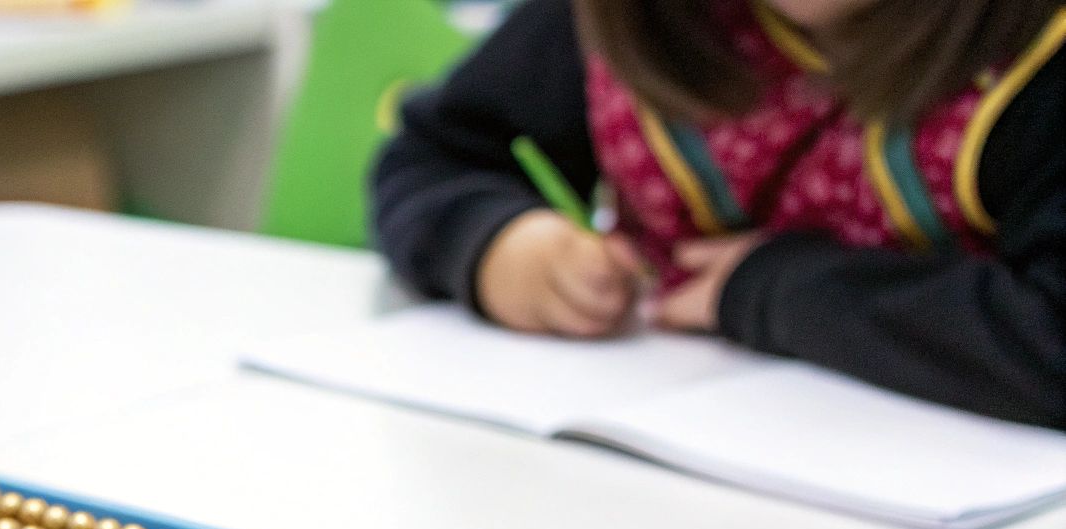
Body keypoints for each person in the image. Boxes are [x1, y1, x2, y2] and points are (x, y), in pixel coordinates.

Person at [371, 0, 1066, 428]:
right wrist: (496, 243)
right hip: (637, 496)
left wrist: (771, 289)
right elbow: (427, 156)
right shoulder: (622, 17)